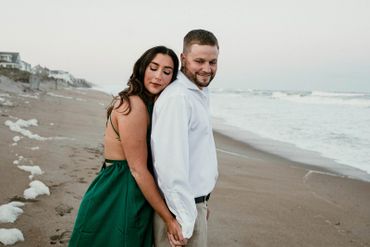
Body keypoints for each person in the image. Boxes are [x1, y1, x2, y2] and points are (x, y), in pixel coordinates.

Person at [69, 46, 185, 247]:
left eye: (167, 72)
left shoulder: (153, 103)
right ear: (142, 68)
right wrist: (169, 219)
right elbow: (137, 169)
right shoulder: (133, 105)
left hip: (132, 187)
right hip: (120, 189)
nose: (158, 76)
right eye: (153, 68)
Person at [151, 29, 219, 246]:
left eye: (213, 62)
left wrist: (202, 204)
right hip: (180, 212)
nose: (207, 69)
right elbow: (170, 167)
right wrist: (186, 218)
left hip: (193, 204)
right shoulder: (178, 98)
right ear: (183, 59)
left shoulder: (197, 93)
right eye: (199, 61)